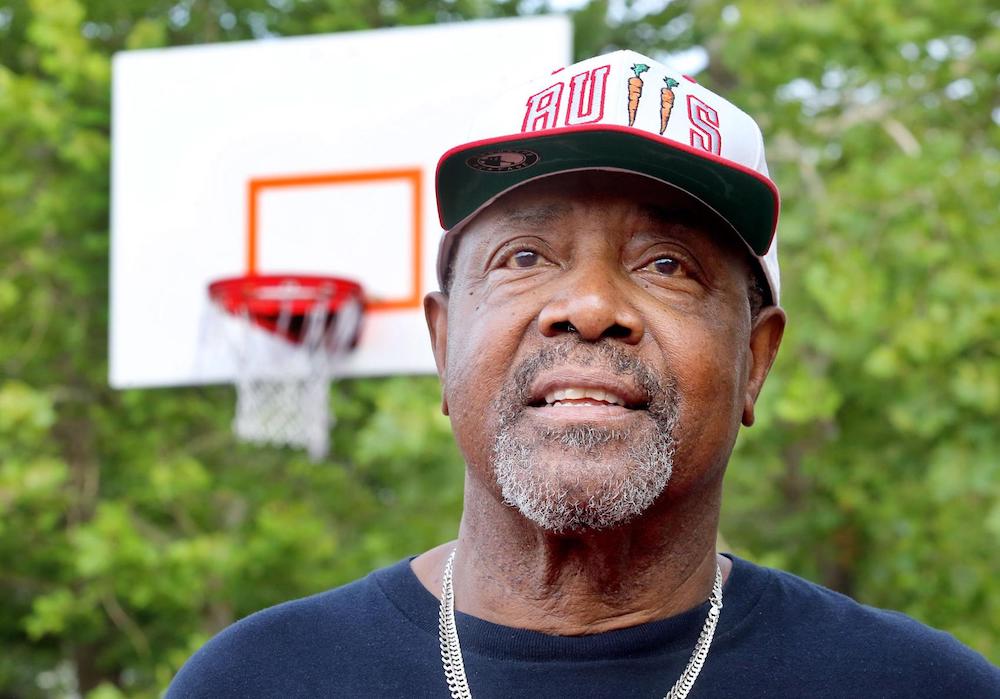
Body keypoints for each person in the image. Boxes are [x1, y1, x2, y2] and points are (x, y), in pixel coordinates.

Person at [167, 50, 998, 698]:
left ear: (755, 361)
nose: (592, 304)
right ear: (443, 342)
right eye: (525, 256)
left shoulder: (922, 686)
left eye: (668, 264)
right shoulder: (253, 680)